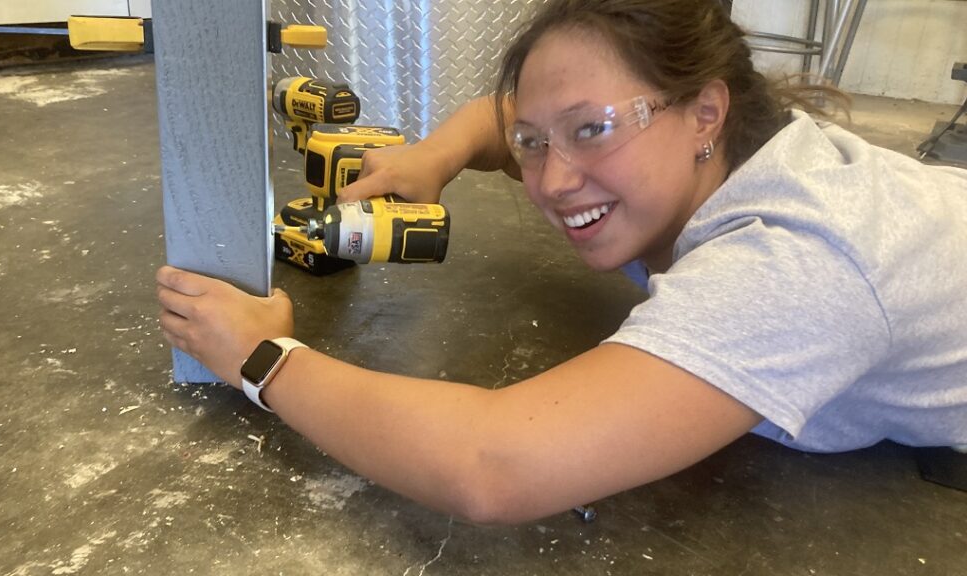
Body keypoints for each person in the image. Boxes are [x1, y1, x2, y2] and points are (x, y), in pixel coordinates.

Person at [156, 0, 967, 524]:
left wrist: (260, 359)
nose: (550, 179)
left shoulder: (795, 264)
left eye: (591, 130)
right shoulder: (725, 151)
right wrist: (433, 158)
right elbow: (503, 113)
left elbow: (494, 465)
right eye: (535, 146)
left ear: (705, 113)